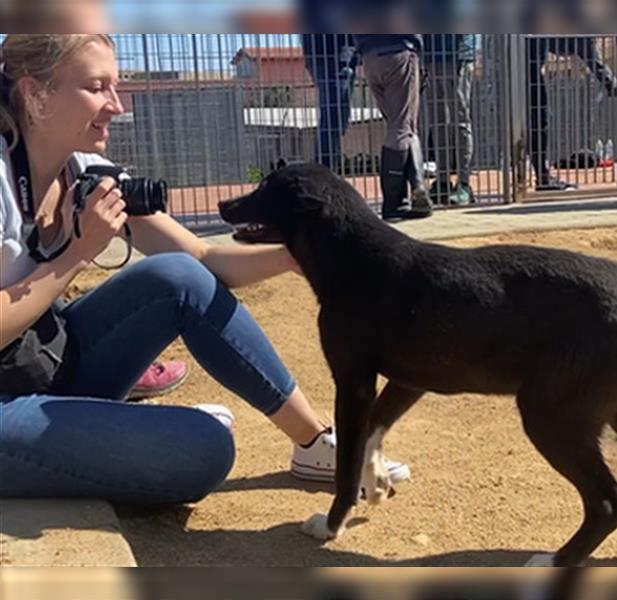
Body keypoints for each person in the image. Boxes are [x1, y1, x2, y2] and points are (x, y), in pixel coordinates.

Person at [0, 34, 410, 503]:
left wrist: (296, 255)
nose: (116, 105)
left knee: (176, 276)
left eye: (117, 85)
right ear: (35, 94)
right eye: (97, 87)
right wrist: (75, 253)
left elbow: (201, 262)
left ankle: (319, 443)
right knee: (202, 448)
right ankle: (118, 433)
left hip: (43, 361)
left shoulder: (85, 167)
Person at [354, 35, 433, 221]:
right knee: (402, 128)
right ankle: (394, 201)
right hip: (399, 50)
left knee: (402, 125)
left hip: (369, 57)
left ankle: (417, 186)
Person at [526, 36, 617, 191]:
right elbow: (581, 47)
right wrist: (611, 83)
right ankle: (541, 178)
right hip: (529, 71)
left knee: (535, 122)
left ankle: (536, 177)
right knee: (538, 122)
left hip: (520, 66)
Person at [422, 34, 477, 206]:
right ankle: (443, 181)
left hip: (458, 55)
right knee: (437, 122)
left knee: (460, 120)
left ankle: (464, 183)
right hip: (431, 54)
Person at [300, 34, 357, 173]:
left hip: (321, 54)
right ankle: (324, 174)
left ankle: (325, 172)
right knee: (334, 121)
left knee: (332, 120)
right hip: (337, 56)